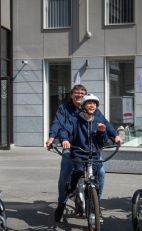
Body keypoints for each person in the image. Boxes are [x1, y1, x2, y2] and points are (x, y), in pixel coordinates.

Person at [46, 85, 121, 221]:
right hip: (73, 145)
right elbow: (59, 124)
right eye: (76, 93)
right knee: (66, 172)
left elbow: (105, 123)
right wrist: (54, 138)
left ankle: (96, 204)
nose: (79, 95)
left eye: (82, 93)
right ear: (71, 95)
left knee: (102, 172)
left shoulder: (93, 110)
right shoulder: (65, 108)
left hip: (91, 149)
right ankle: (62, 202)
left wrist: (114, 135)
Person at [55, 94, 109, 222]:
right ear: (83, 106)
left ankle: (96, 205)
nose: (92, 106)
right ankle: (70, 190)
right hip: (79, 153)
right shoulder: (75, 120)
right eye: (89, 103)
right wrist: (65, 140)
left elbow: (103, 141)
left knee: (97, 177)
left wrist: (102, 132)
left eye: (94, 104)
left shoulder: (98, 121)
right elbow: (64, 130)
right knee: (77, 171)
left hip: (94, 155)